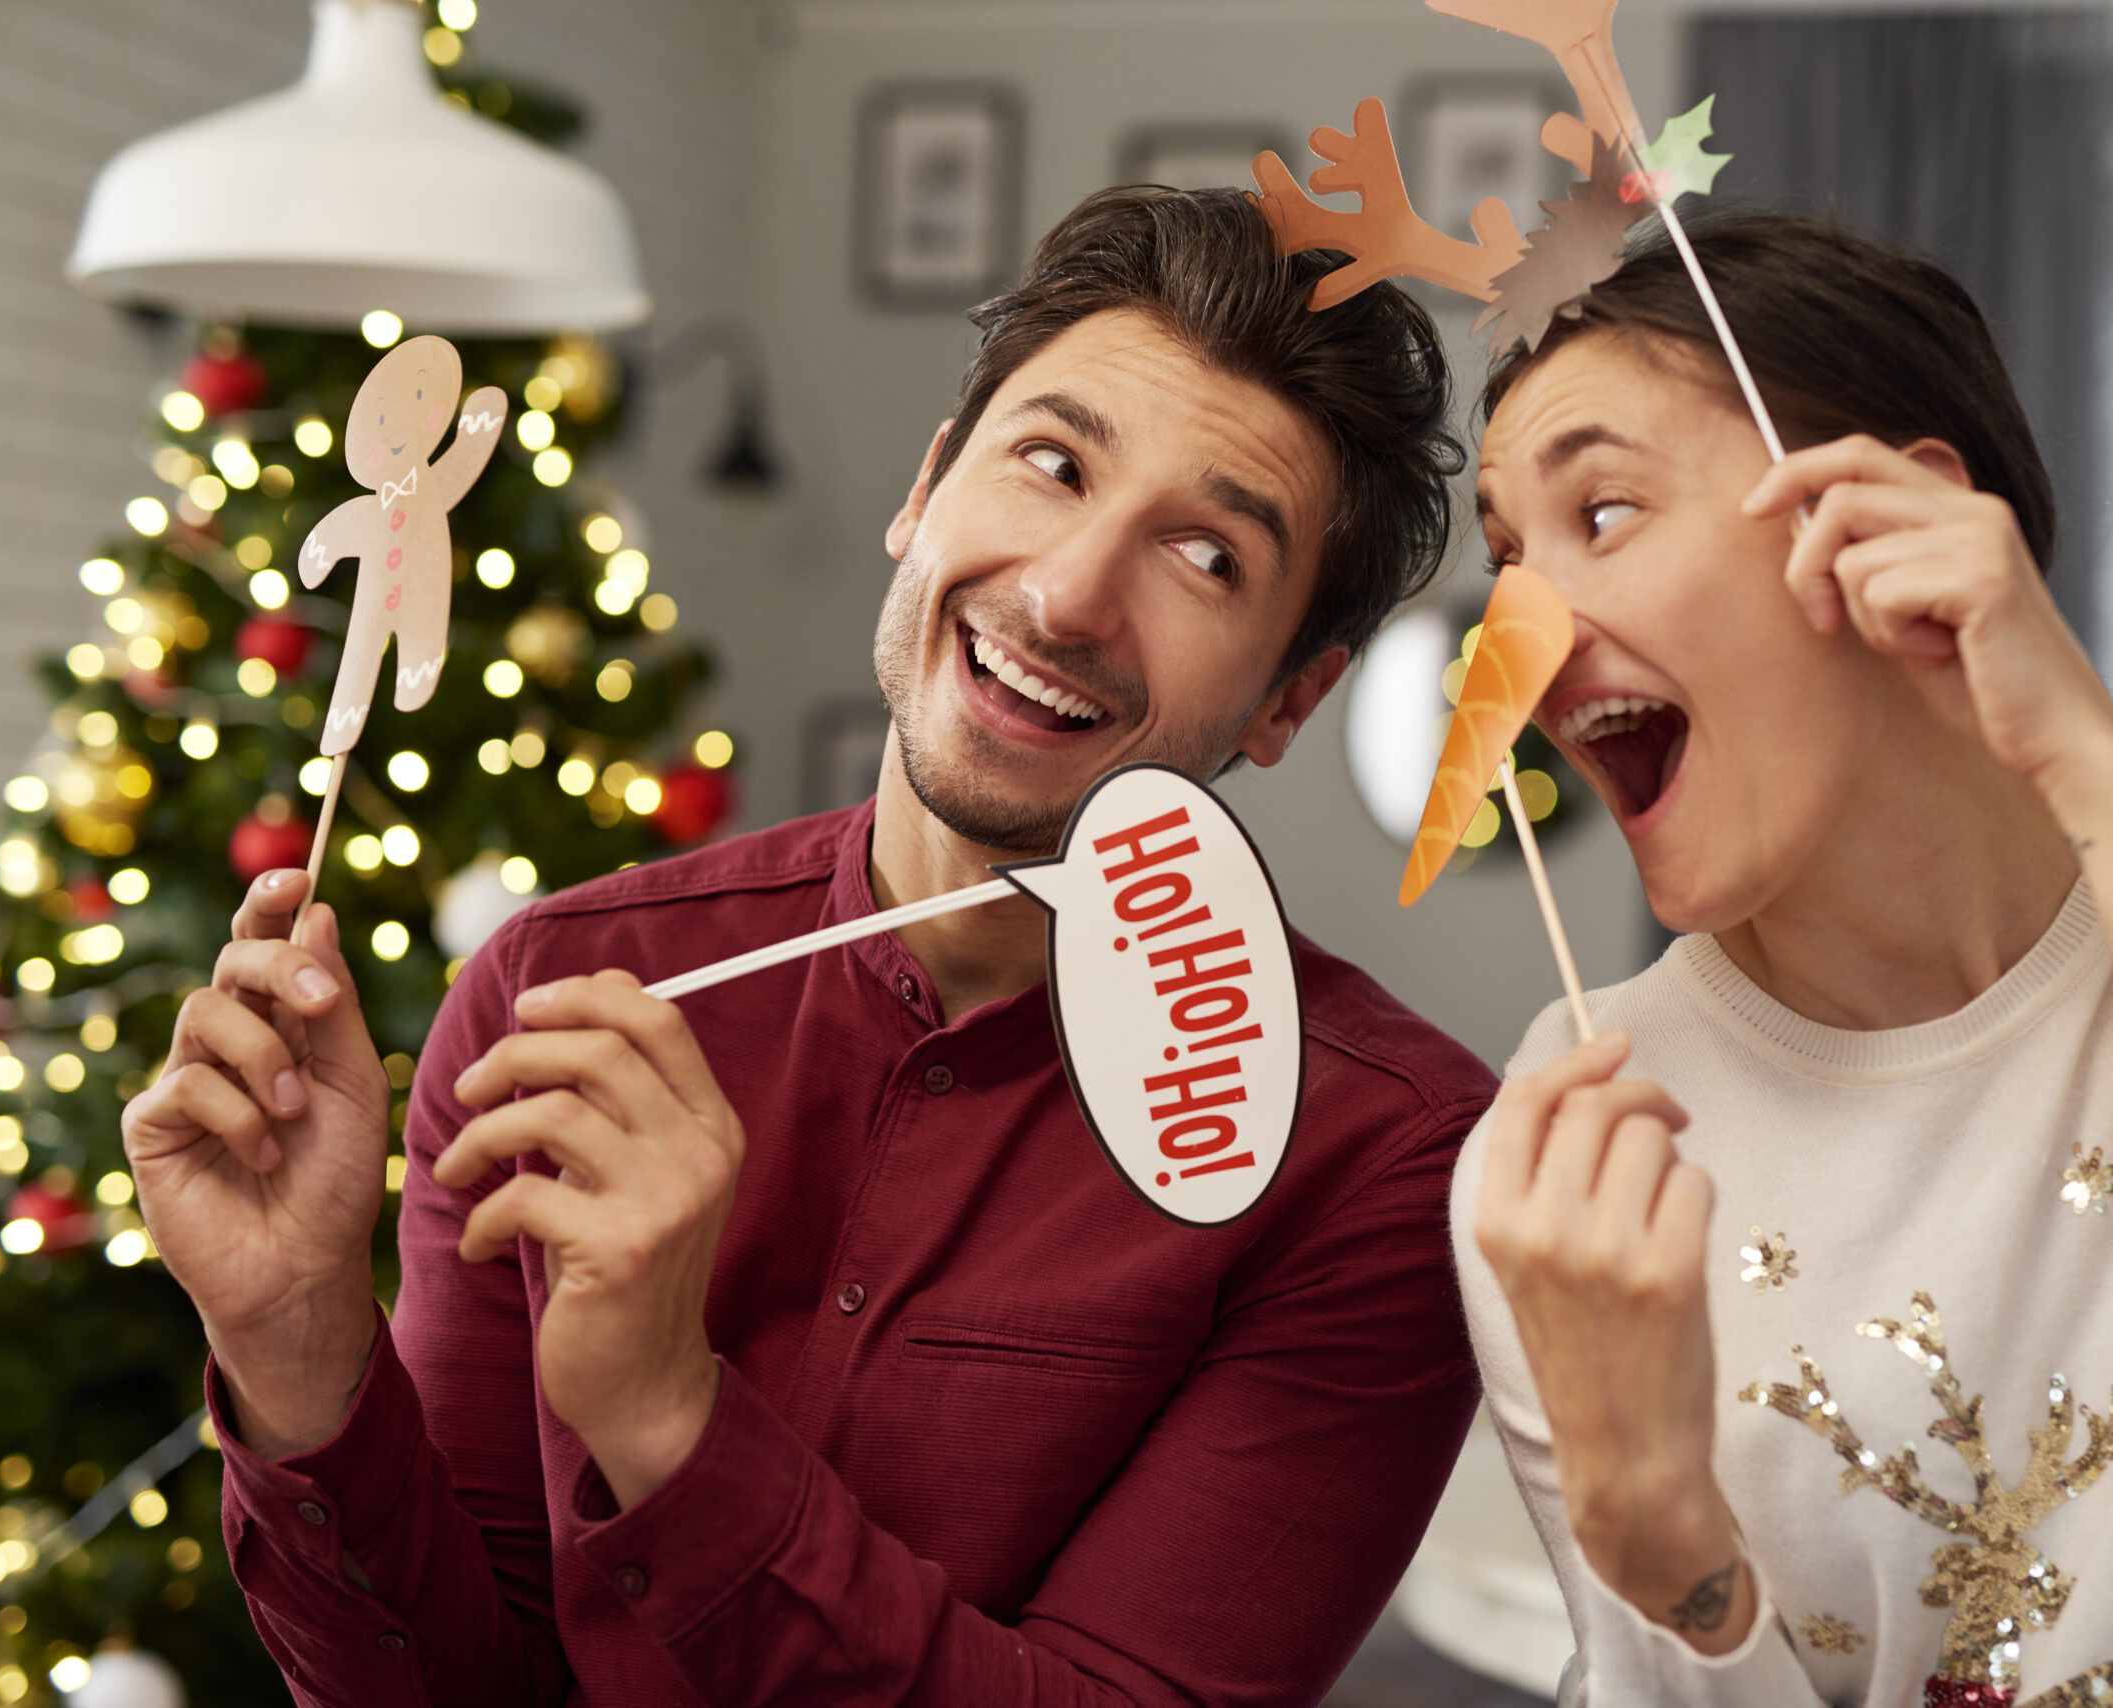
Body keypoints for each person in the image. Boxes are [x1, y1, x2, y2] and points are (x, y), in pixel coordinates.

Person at [124, 185, 1502, 1707]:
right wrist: (297, 1330)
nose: (1064, 595)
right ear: (925, 489)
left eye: (1205, 559)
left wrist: (666, 1421)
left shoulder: (1383, 1160)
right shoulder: (552, 992)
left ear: (1289, 700)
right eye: (1050, 466)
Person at [1450, 211, 2113, 1705]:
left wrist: (2093, 765)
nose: (1519, 639)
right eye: (1502, 560)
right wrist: (1669, 1554)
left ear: (1889, 520)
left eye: (1601, 513)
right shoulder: (1578, 1141)